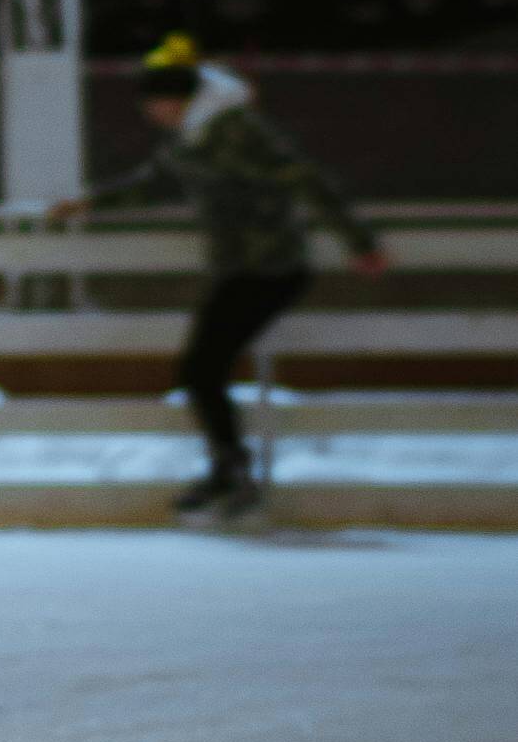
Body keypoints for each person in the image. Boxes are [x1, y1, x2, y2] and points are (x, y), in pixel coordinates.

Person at [48, 32, 388, 519]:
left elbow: (303, 177)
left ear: (180, 99)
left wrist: (360, 242)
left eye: (156, 103)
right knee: (201, 371)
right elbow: (156, 182)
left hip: (271, 267)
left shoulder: (236, 129)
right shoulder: (195, 135)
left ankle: (231, 472)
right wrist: (89, 204)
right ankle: (229, 470)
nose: (151, 113)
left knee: (201, 370)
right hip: (243, 269)